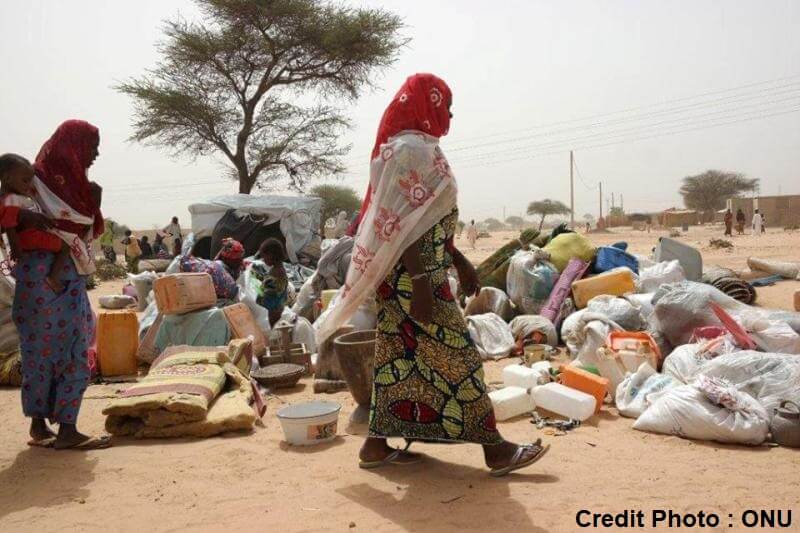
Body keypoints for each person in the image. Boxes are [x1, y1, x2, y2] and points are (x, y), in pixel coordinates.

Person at [316, 74, 548, 477]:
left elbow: (425, 218)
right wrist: (424, 285)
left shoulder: (413, 148)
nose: (451, 115)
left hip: (409, 274)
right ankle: (494, 449)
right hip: (415, 278)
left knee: (399, 360)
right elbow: (404, 223)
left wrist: (458, 259)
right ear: (427, 103)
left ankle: (375, 446)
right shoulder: (409, 151)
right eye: (447, 106)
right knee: (458, 358)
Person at [13, 119, 109, 450]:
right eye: (91, 147)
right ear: (73, 145)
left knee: (40, 351)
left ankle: (39, 426)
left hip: (47, 277)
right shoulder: (29, 181)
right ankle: (66, 430)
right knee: (70, 349)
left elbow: (85, 232)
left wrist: (94, 204)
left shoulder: (79, 187)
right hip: (48, 277)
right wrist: (25, 219)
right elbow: (9, 215)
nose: (95, 154)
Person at [0, 154, 71, 292]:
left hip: (26, 240)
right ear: (8, 179)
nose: (29, 185)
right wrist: (16, 248)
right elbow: (9, 224)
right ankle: (53, 278)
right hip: (31, 238)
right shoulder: (11, 199)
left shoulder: (13, 198)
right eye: (25, 181)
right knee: (65, 247)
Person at [257, 238, 288, 327]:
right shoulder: (278, 270)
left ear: (271, 255)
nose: (263, 259)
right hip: (277, 311)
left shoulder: (277, 274)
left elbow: (267, 299)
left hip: (272, 315)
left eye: (264, 256)